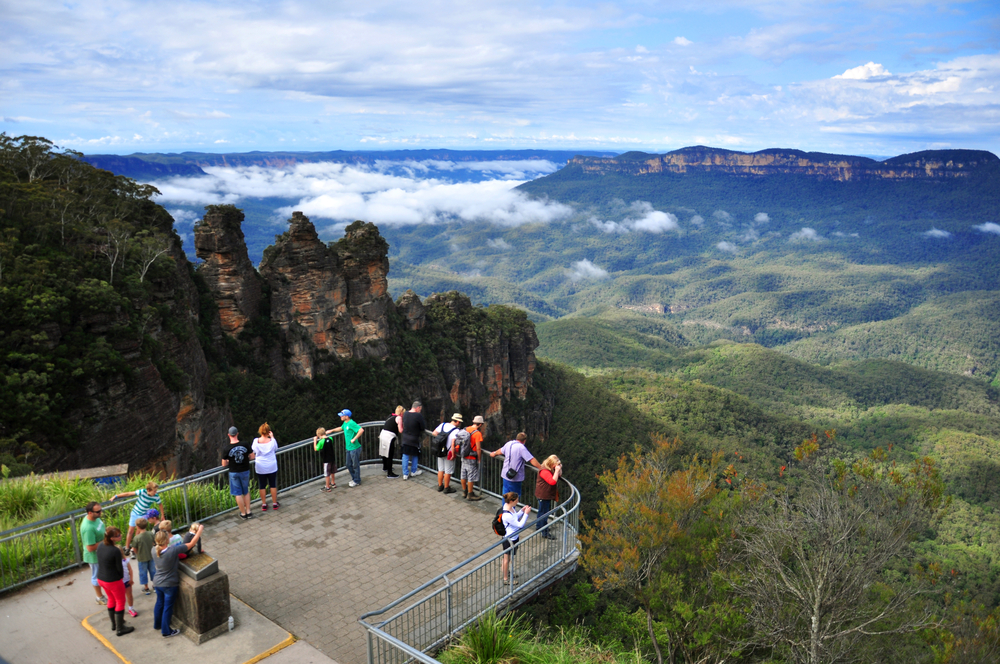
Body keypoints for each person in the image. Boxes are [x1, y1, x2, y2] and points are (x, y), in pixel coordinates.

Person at [153, 524, 204, 638]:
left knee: (159, 603)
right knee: (167, 607)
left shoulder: (153, 550)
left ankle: (157, 624)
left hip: (157, 582)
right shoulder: (172, 551)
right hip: (169, 584)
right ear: (166, 540)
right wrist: (199, 531)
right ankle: (166, 631)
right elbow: (191, 544)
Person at [96, 526, 134, 636]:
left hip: (101, 579)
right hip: (113, 580)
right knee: (120, 602)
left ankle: (114, 624)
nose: (120, 536)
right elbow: (119, 568)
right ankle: (120, 628)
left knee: (111, 600)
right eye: (118, 535)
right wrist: (121, 578)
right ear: (112, 538)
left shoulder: (101, 546)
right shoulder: (115, 551)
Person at [112, 481, 163, 556]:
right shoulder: (142, 492)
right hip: (135, 513)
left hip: (143, 515)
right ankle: (127, 547)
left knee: (138, 532)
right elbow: (128, 493)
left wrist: (162, 515)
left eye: (156, 491)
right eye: (154, 491)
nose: (155, 492)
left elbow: (160, 504)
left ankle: (133, 548)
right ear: (148, 490)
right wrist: (116, 496)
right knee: (130, 531)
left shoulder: (156, 496)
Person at [221, 426, 255, 519]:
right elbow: (252, 456)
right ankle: (249, 511)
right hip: (245, 471)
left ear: (229, 435)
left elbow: (224, 464)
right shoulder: (245, 444)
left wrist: (229, 461)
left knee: (238, 493)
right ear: (237, 434)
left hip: (234, 472)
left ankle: (243, 514)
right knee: (246, 491)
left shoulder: (227, 448)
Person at [499, 492, 531, 585]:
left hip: (513, 537)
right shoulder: (507, 514)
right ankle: (505, 579)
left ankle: (507, 572)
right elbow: (520, 524)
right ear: (512, 501)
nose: (518, 502)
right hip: (509, 539)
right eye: (516, 501)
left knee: (508, 558)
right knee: (506, 559)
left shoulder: (510, 507)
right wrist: (526, 514)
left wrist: (522, 511)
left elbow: (515, 517)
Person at [81, 501, 107, 605]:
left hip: (102, 551)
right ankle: (99, 597)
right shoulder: (88, 528)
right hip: (94, 556)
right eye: (98, 511)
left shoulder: (96, 518)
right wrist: (106, 541)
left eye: (100, 510)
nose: (100, 513)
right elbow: (90, 547)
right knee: (96, 576)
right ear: (90, 513)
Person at [329, 409, 363, 486]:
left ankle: (357, 480)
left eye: (342, 415)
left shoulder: (351, 423)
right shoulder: (345, 423)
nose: (340, 417)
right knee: (348, 464)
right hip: (349, 448)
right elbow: (341, 428)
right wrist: (332, 430)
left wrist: (354, 439)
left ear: (347, 416)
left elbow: (361, 430)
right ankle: (355, 479)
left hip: (354, 448)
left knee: (355, 465)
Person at [432, 413, 463, 494]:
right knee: (448, 471)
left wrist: (441, 440)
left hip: (440, 450)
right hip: (448, 452)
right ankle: (446, 488)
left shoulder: (443, 425)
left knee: (440, 469)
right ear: (458, 422)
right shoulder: (456, 431)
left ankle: (439, 486)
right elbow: (453, 444)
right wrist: (453, 454)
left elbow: (434, 433)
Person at [252, 423, 280, 511]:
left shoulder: (256, 441)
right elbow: (276, 448)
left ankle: (264, 504)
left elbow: (254, 451)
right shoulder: (272, 441)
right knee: (273, 484)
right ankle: (275, 503)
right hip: (271, 465)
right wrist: (272, 437)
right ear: (268, 432)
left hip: (260, 466)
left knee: (262, 485)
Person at [535, 455, 562, 539]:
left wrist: (559, 470)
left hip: (545, 494)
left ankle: (539, 526)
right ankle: (545, 532)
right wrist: (557, 471)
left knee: (541, 511)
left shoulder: (549, 469)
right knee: (544, 514)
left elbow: (559, 476)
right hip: (543, 495)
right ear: (551, 464)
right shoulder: (544, 471)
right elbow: (552, 482)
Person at [400, 400, 427, 480]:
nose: (420, 411)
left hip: (405, 438)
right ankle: (413, 471)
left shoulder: (406, 414)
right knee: (415, 455)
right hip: (414, 439)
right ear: (418, 408)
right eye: (420, 409)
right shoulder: (418, 416)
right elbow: (423, 427)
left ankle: (405, 474)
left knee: (405, 455)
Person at [462, 415, 485, 501]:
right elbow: (478, 448)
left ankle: (464, 491)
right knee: (470, 476)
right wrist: (479, 458)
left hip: (464, 455)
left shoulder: (466, 429)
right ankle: (470, 494)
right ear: (480, 424)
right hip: (471, 457)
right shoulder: (477, 433)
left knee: (463, 474)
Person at [132, 517, 155, 595]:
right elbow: (154, 543)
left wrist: (137, 553)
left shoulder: (136, 538)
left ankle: (146, 588)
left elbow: (134, 548)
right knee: (153, 571)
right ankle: (155, 585)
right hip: (151, 556)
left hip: (142, 558)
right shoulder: (150, 533)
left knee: (143, 573)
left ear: (137, 527)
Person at [380, 406, 404, 478]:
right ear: (401, 412)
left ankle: (385, 467)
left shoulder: (390, 416)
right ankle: (390, 473)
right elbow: (400, 430)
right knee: (390, 454)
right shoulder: (399, 418)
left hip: (383, 434)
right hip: (389, 437)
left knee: (384, 453)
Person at [314, 427, 338, 492]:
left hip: (326, 460)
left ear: (319, 434)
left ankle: (327, 487)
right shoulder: (330, 438)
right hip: (332, 458)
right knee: (332, 471)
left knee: (327, 474)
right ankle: (333, 483)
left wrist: (315, 441)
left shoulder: (321, 441)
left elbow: (316, 449)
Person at [121, 550, 138, 617]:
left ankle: (131, 608)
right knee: (120, 598)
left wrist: (131, 579)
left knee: (129, 595)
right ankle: (120, 609)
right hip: (118, 583)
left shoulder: (125, 560)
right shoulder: (112, 562)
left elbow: (130, 570)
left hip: (126, 581)